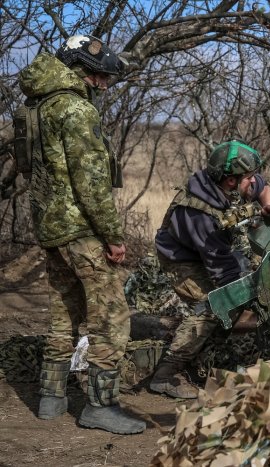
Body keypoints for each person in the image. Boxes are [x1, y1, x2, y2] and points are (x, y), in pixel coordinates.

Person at [19, 34, 145, 434]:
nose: (105, 84)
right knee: (111, 316)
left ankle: (51, 397)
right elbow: (91, 183)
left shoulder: (37, 105)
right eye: (101, 76)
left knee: (63, 312)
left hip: (49, 227)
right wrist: (113, 236)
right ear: (83, 71)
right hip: (80, 229)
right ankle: (100, 406)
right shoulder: (75, 109)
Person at [150, 140, 270, 398]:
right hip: (180, 261)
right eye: (248, 179)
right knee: (212, 306)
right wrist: (248, 300)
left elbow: (263, 186)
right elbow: (225, 277)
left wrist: (267, 205)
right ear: (231, 182)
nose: (253, 184)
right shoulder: (201, 216)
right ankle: (166, 374)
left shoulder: (232, 181)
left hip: (210, 252)